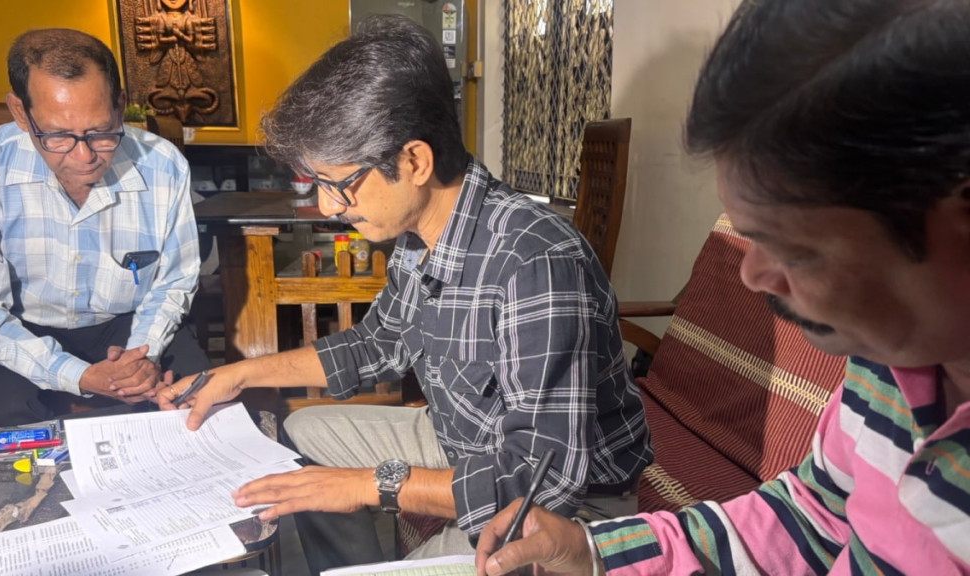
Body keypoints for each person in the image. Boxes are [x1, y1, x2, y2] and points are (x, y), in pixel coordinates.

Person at [473, 0, 970, 574]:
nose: (751, 274)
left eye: (795, 249)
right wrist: (593, 552)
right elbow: (812, 516)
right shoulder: (886, 368)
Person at [158, 14, 652, 574]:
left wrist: (369, 484)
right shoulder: (419, 237)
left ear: (414, 161)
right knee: (304, 433)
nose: (327, 207)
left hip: (561, 508)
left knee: (342, 481)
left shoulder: (535, 262)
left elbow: (544, 480)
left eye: (338, 184)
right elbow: (377, 344)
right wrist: (240, 374)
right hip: (465, 438)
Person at [0, 28, 209, 432]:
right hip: (20, 328)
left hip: (128, 325)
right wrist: (80, 376)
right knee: (10, 429)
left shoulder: (163, 165)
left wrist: (141, 356)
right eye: (57, 135)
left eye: (101, 132)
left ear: (119, 105)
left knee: (200, 408)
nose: (84, 156)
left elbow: (173, 283)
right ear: (20, 112)